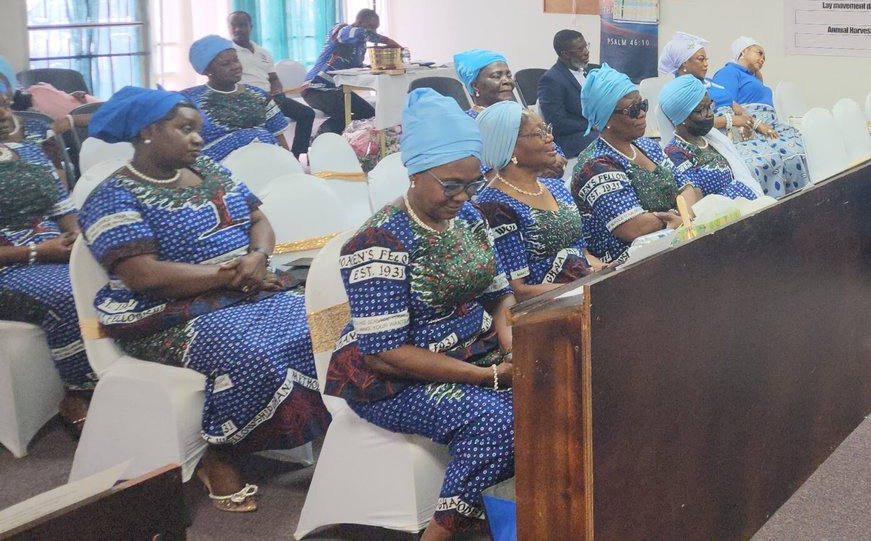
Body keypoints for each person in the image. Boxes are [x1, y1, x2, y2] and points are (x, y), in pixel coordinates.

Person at [79, 87, 329, 514]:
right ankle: (221, 453)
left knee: (327, 322)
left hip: (244, 288)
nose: (198, 138)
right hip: (162, 314)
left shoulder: (210, 168)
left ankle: (326, 429)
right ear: (147, 132)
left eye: (198, 128)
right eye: (185, 129)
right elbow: (143, 276)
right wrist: (228, 277)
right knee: (253, 352)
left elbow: (259, 219)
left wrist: (258, 256)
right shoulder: (113, 195)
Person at [324, 89, 514, 540]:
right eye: (452, 185)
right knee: (500, 421)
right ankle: (441, 533)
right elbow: (384, 353)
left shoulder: (468, 219)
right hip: (395, 381)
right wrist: (488, 377)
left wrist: (511, 347)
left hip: (476, 353)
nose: (463, 196)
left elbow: (500, 296)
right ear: (415, 172)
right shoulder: (379, 242)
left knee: (562, 385)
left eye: (472, 184)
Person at [0, 81, 95, 434]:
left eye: (4, 105)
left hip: (53, 251)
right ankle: (78, 393)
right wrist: (37, 252)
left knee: (115, 274)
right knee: (71, 293)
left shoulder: (29, 153)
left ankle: (113, 368)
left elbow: (63, 210)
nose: (3, 115)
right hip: (9, 267)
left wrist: (77, 240)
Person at [473, 101, 597, 300]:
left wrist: (609, 271)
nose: (550, 137)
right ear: (510, 146)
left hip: (585, 292)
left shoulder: (555, 187)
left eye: (546, 129)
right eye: (539, 133)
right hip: (547, 308)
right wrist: (584, 289)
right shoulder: (494, 206)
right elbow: (517, 291)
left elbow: (584, 255)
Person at [660, 32, 805, 197]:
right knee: (767, 161)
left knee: (791, 151)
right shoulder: (680, 92)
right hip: (719, 137)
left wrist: (753, 124)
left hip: (739, 132)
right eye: (701, 59)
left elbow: (737, 108)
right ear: (684, 63)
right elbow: (696, 120)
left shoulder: (710, 83)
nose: (706, 64)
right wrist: (732, 120)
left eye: (706, 59)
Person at [569, 66, 684, 263]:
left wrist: (677, 216)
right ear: (606, 119)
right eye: (633, 110)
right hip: (629, 263)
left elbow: (689, 188)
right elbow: (633, 227)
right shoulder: (595, 165)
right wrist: (680, 214)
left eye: (643, 105)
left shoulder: (647, 145)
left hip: (672, 243)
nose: (642, 114)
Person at [182, 35, 292, 159]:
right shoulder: (191, 99)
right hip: (216, 168)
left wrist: (290, 163)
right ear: (207, 70)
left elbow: (279, 137)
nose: (235, 66)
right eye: (226, 64)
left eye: (236, 60)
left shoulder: (259, 95)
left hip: (267, 162)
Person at [658, 74, 759, 203]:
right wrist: (738, 192)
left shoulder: (712, 138)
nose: (710, 114)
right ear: (682, 117)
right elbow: (698, 203)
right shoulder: (675, 153)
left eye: (709, 106)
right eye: (701, 110)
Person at [301, 9, 401, 138]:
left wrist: (376, 68)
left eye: (376, 28)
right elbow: (361, 33)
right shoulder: (341, 30)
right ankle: (319, 139)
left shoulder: (360, 46)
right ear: (360, 22)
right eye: (371, 26)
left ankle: (352, 141)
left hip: (338, 90)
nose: (374, 31)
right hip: (316, 88)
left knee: (369, 114)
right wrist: (389, 41)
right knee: (344, 114)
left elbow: (355, 68)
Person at [228, 11, 317, 157]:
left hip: (271, 98)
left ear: (250, 27)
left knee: (307, 114)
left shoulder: (262, 52)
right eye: (233, 26)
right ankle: (274, 158)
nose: (237, 29)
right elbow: (229, 83)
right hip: (246, 100)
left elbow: (273, 78)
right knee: (264, 124)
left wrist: (276, 91)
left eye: (242, 25)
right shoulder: (230, 54)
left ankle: (295, 156)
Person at [537, 30, 598, 158]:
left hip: (594, 130)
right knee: (608, 142)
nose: (586, 52)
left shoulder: (591, 71)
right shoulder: (551, 80)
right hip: (572, 138)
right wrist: (590, 125)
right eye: (580, 49)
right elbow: (557, 122)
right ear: (565, 54)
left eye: (586, 46)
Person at [453, 48, 516, 115]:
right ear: (475, 86)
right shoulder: (467, 120)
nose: (507, 81)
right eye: (496, 76)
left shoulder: (519, 115)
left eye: (509, 76)